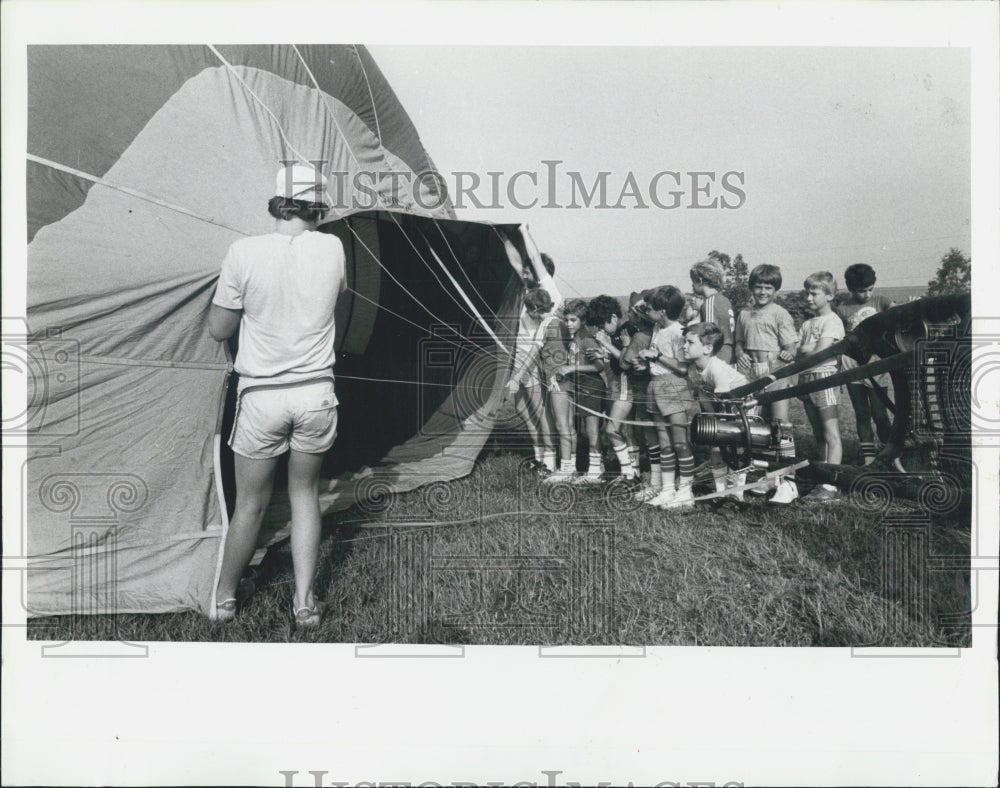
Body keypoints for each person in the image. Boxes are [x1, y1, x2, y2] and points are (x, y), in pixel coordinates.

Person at [208, 163, 346, 628]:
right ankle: (304, 603)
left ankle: (225, 599)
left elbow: (219, 328)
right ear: (318, 206)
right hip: (316, 394)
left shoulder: (243, 251)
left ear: (277, 202)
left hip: (263, 395)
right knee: (305, 494)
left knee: (251, 504)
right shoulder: (333, 248)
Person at [733, 264, 800, 503]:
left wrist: (788, 354)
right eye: (758, 287)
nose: (762, 292)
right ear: (751, 288)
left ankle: (789, 482)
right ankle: (766, 478)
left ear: (776, 289)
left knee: (781, 426)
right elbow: (739, 341)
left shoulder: (780, 313)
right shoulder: (744, 313)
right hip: (751, 374)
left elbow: (791, 346)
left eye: (768, 287)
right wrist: (740, 352)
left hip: (775, 373)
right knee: (754, 426)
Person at [501, 229, 563, 475]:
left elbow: (535, 260)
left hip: (534, 361)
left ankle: (550, 460)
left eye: (528, 271)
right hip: (519, 360)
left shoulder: (550, 292)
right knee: (522, 410)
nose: (522, 273)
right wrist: (504, 238)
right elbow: (518, 263)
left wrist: (523, 230)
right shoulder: (528, 292)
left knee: (540, 412)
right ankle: (540, 457)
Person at [638, 286, 697, 509]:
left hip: (674, 387)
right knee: (664, 443)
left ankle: (685, 492)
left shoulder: (678, 332)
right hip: (656, 386)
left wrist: (658, 356)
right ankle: (667, 489)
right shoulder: (657, 327)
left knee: (680, 442)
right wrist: (645, 362)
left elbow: (682, 369)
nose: (646, 311)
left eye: (650, 308)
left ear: (662, 311)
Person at [682, 322, 752, 500]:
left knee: (737, 446)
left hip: (741, 406)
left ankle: (737, 493)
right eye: (685, 342)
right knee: (716, 447)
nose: (684, 346)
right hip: (721, 407)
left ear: (707, 348)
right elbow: (705, 400)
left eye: (690, 343)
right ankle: (721, 492)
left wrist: (720, 427)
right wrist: (712, 424)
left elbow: (725, 404)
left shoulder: (716, 369)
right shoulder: (693, 369)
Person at [834, 263, 895, 465]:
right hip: (852, 364)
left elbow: (899, 325)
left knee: (880, 413)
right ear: (851, 289)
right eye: (861, 291)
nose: (867, 294)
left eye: (870, 289)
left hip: (877, 364)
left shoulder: (883, 302)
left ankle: (891, 452)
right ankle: (868, 457)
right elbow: (839, 341)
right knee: (862, 413)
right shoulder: (842, 309)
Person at [796, 271, 845, 503]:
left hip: (824, 379)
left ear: (830, 295)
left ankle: (830, 484)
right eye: (807, 292)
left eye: (814, 293)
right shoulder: (807, 323)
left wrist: (807, 348)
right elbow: (798, 351)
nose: (808, 297)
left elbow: (821, 353)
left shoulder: (833, 321)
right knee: (818, 434)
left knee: (831, 433)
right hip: (807, 380)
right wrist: (806, 349)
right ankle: (822, 476)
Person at [586, 295, 639, 482]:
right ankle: (634, 472)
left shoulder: (626, 332)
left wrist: (606, 344)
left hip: (625, 387)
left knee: (611, 430)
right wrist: (603, 353)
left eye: (602, 325)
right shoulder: (616, 333)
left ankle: (629, 473)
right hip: (618, 387)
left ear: (614, 318)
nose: (601, 330)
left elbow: (626, 363)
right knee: (625, 431)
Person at [557, 299, 608, 485]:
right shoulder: (575, 338)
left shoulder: (587, 339)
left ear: (582, 320)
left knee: (591, 431)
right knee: (587, 431)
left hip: (592, 386)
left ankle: (595, 472)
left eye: (573, 320)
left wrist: (572, 369)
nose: (568, 324)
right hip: (582, 387)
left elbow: (599, 366)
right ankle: (597, 467)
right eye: (567, 320)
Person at [689, 259, 735, 363]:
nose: (692, 285)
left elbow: (709, 334)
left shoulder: (710, 302)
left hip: (718, 352)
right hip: (729, 350)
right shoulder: (724, 300)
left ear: (700, 281)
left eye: (693, 281)